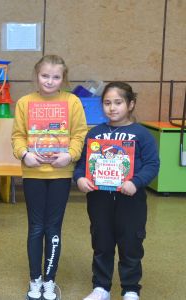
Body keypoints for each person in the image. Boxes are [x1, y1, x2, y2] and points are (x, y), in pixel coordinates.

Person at [11, 54, 87, 300]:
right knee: (36, 227)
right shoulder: (25, 102)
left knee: (53, 227)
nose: (50, 81)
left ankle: (50, 280)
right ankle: (35, 280)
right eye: (45, 76)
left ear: (63, 78)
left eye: (56, 77)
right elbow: (18, 136)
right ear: (36, 75)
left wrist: (70, 155)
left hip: (60, 174)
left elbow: (79, 134)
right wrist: (24, 154)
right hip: (33, 173)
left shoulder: (72, 101)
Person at [75, 82, 160, 300]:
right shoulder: (95, 133)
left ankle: (130, 289)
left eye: (118, 102)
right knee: (101, 242)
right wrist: (80, 179)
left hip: (131, 201)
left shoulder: (141, 134)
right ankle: (101, 287)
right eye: (107, 103)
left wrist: (137, 182)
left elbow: (152, 164)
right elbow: (82, 164)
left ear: (131, 104)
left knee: (131, 244)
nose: (112, 108)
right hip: (99, 200)